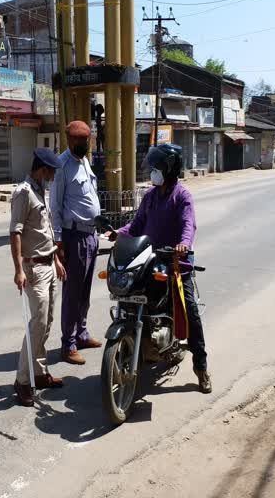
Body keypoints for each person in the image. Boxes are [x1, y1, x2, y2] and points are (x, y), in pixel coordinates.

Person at [108, 144, 212, 393]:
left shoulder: (182, 196)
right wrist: (117, 234)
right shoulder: (150, 197)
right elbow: (137, 224)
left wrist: (183, 246)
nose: (153, 172)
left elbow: (189, 226)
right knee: (131, 298)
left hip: (176, 264)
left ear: (169, 169)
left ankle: (201, 367)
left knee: (191, 312)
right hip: (150, 260)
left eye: (157, 168)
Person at [9, 148, 67, 406]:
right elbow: (16, 232)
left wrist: (55, 259)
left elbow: (44, 230)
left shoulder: (39, 189)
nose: (53, 175)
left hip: (48, 265)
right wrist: (19, 269)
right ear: (43, 168)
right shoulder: (23, 192)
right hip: (33, 269)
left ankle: (39, 373)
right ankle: (22, 381)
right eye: (52, 170)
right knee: (37, 325)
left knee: (47, 322)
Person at [50, 120, 103, 365]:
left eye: (87, 140)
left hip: (91, 235)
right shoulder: (61, 165)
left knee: (85, 292)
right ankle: (68, 343)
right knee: (72, 293)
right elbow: (55, 207)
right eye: (80, 141)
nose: (84, 144)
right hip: (74, 237)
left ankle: (81, 334)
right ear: (69, 140)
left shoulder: (84, 161)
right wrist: (59, 243)